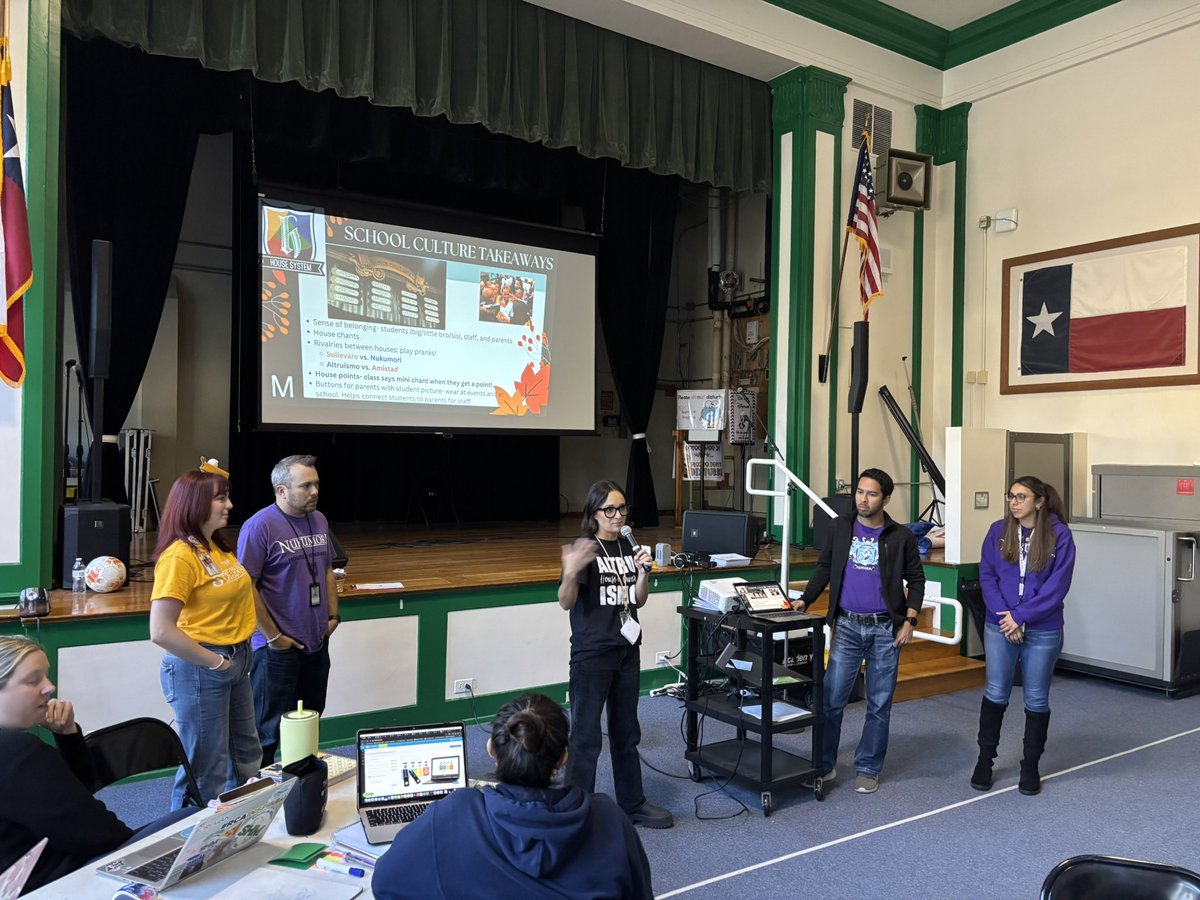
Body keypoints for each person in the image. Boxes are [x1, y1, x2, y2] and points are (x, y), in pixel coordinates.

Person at [372, 693, 653, 899]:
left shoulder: (455, 815)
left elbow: (385, 883)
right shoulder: (610, 821)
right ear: (562, 759)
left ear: (491, 749)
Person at [0, 636, 194, 893]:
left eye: (46, 677)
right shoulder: (18, 752)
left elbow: (72, 798)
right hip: (52, 883)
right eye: (33, 680)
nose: (50, 687)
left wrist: (68, 735)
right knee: (189, 819)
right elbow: (100, 835)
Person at [794, 468, 926, 794]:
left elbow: (917, 581)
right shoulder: (840, 527)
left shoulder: (901, 537)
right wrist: (804, 599)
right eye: (860, 492)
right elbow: (825, 567)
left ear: (886, 499)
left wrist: (910, 621)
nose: (863, 499)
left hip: (886, 629)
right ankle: (823, 766)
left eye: (871, 494)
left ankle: (868, 766)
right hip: (848, 626)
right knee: (832, 700)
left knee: (879, 704)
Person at [557, 481, 674, 828]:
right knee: (585, 736)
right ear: (593, 514)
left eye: (622, 509)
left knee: (627, 732)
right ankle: (576, 812)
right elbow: (565, 601)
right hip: (592, 655)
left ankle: (633, 803)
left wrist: (642, 573)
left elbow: (638, 600)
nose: (618, 516)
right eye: (609, 510)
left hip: (627, 651)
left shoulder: (628, 545)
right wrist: (572, 569)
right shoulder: (585, 549)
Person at [149, 459, 264, 806]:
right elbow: (160, 630)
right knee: (205, 770)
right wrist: (215, 663)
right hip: (202, 667)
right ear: (194, 504)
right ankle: (188, 843)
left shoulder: (215, 545)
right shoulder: (179, 557)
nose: (229, 505)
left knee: (247, 756)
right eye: (220, 499)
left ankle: (238, 828)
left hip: (236, 659)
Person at [972, 475, 1075, 796]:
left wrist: (1021, 616)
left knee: (1036, 698)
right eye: (1011, 496)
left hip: (1042, 629)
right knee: (996, 692)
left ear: (1039, 501)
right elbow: (986, 576)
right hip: (1000, 624)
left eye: (1021, 497)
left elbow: (1057, 587)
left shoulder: (1060, 535)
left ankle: (1030, 766)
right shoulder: (998, 531)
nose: (1014, 502)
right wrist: (1007, 617)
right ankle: (985, 760)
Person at [238, 455, 340, 766]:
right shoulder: (259, 526)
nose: (314, 491)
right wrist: (273, 637)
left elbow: (326, 570)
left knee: (310, 719)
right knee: (267, 732)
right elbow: (246, 587)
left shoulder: (319, 520)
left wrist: (333, 617)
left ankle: (304, 788)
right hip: (276, 649)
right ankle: (260, 798)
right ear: (281, 491)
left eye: (316, 484)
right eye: (306, 485)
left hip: (315, 641)